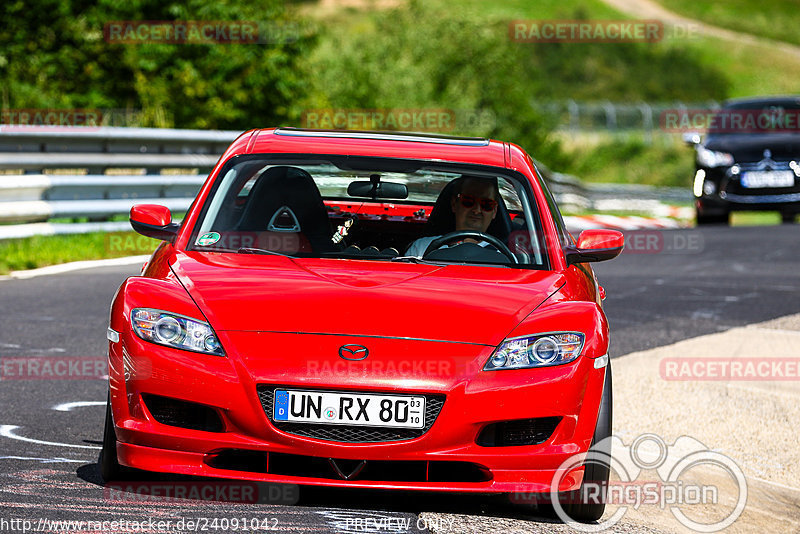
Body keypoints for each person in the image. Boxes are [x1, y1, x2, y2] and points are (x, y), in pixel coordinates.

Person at [405, 176, 500, 257]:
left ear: (494, 211)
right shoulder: (421, 248)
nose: (477, 210)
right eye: (468, 201)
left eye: (487, 204)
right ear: (454, 204)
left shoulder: (504, 257)